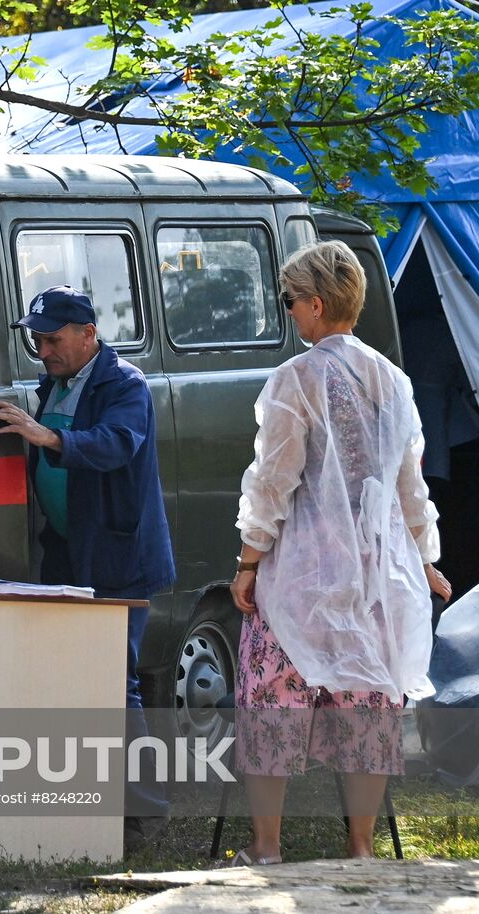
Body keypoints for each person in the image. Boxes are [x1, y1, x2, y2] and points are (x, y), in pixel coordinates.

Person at [230, 240, 451, 863]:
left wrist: (248, 562)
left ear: (316, 303)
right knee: (367, 705)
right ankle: (360, 846)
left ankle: (266, 846)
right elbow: (411, 485)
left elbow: (272, 482)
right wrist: (422, 558)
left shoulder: (294, 380)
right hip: (374, 576)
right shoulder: (393, 379)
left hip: (302, 573)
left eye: (291, 301)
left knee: (271, 695)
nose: (289, 312)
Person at [0, 285, 176, 845]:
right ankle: (82, 804)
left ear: (88, 334)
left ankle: (142, 816)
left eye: (51, 339)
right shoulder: (55, 383)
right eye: (35, 340)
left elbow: (116, 443)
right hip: (69, 554)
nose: (42, 350)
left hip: (119, 560)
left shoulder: (125, 385)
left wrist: (47, 435)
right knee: (67, 682)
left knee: (114, 684)